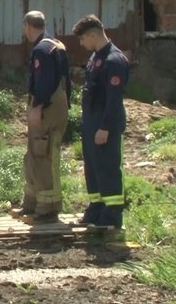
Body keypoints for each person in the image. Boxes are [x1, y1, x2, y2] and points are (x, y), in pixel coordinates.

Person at [12, 11, 71, 225]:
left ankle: (47, 209)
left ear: (28, 25)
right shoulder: (57, 45)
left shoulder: (42, 49)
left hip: (47, 109)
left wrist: (37, 106)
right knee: (34, 155)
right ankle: (31, 203)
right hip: (57, 106)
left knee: (43, 156)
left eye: (24, 27)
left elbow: (44, 82)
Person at [73, 14, 129, 228]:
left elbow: (113, 99)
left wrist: (105, 127)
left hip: (106, 121)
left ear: (94, 34)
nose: (81, 43)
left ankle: (112, 215)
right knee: (93, 167)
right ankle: (96, 209)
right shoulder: (95, 57)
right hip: (91, 120)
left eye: (83, 39)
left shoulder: (114, 60)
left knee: (107, 167)